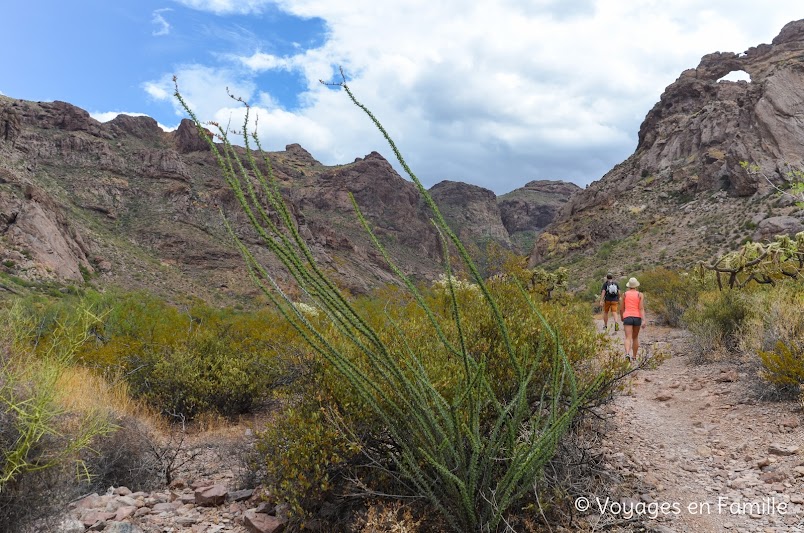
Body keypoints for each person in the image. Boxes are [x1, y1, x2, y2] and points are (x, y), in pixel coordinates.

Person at [619, 277, 646, 363]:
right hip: (637, 317)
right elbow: (641, 308)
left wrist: (622, 317)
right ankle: (634, 356)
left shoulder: (624, 294)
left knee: (628, 337)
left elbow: (621, 308)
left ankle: (627, 353)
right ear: (636, 286)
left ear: (629, 286)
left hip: (627, 316)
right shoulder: (640, 295)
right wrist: (644, 320)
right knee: (635, 338)